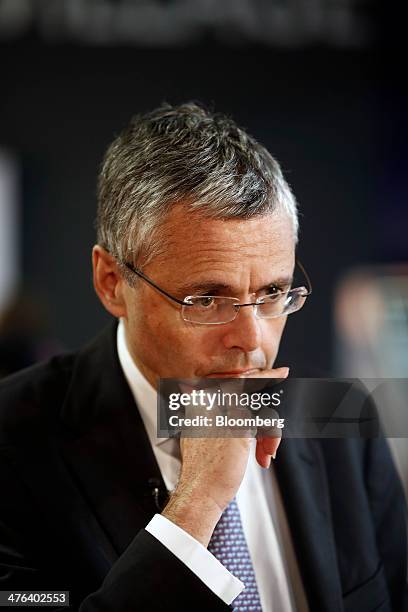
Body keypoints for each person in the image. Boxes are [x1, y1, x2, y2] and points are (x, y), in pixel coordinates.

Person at [0, 102, 406, 612]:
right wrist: (197, 505)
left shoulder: (342, 415)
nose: (251, 339)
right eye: (206, 300)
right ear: (111, 283)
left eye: (273, 293)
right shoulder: (13, 443)